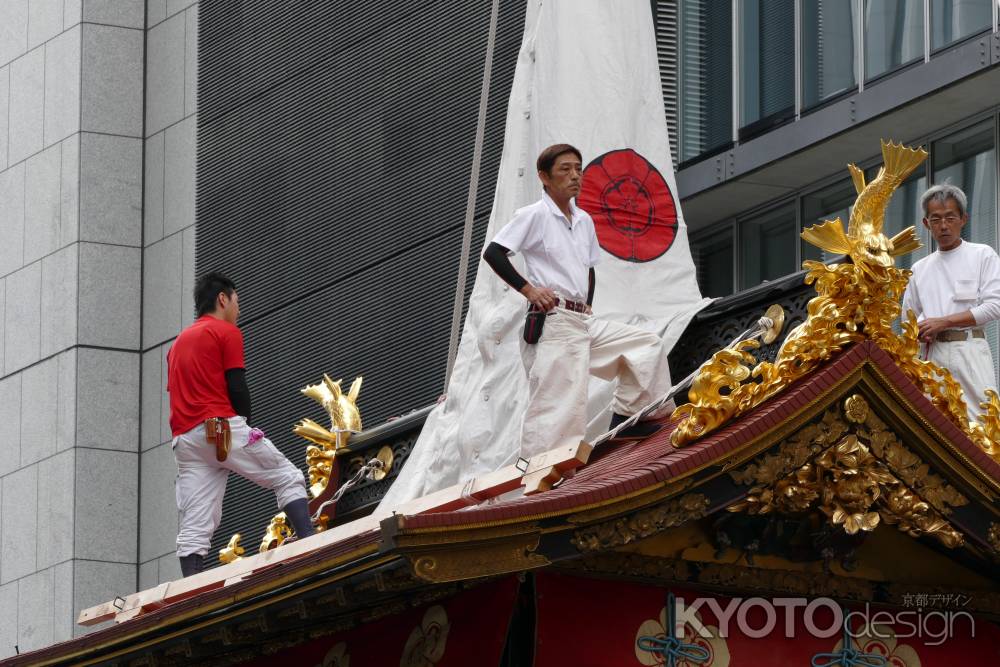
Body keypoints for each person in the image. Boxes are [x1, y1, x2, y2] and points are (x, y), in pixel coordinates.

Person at [481, 143, 673, 458]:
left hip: (580, 319)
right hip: (554, 322)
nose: (575, 176)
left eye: (578, 169)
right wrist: (529, 290)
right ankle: (545, 476)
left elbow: (589, 267)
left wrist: (588, 302)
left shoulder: (583, 220)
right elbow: (494, 252)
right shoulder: (534, 215)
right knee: (561, 407)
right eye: (565, 169)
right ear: (544, 176)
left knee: (646, 346)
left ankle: (630, 420)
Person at [167, 272, 315, 577]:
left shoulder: (176, 345)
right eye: (237, 301)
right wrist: (245, 424)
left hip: (185, 441)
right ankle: (312, 547)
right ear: (223, 299)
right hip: (219, 428)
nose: (239, 309)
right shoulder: (224, 331)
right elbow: (237, 386)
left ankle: (190, 592)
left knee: (195, 524)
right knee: (287, 476)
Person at [901, 184, 1000, 421]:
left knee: (983, 422)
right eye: (936, 219)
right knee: (936, 424)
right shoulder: (919, 269)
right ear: (926, 223)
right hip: (933, 355)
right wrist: (919, 332)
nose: (943, 226)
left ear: (963, 219)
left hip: (970, 349)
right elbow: (907, 322)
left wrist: (942, 322)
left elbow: (994, 306)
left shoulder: (982, 254)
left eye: (950, 218)